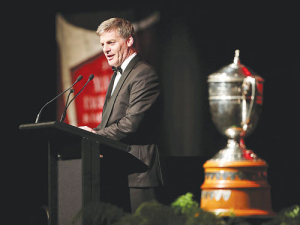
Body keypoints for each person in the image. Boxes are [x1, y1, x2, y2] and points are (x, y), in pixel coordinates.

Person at [80, 17, 163, 213]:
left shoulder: (144, 74)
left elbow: (130, 124)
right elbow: (111, 122)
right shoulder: (118, 74)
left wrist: (92, 136)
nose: (106, 49)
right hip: (118, 170)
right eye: (102, 44)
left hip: (140, 174)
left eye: (111, 42)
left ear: (129, 41)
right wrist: (92, 132)